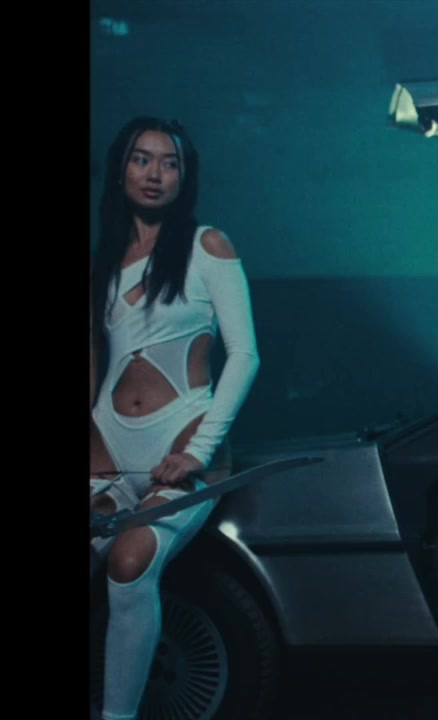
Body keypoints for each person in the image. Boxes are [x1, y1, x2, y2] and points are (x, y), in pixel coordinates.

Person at [89, 117, 260, 719]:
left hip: (184, 439)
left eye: (170, 162)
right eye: (142, 159)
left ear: (185, 177)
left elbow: (245, 354)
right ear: (120, 169)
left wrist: (200, 450)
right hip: (107, 449)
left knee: (129, 563)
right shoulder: (104, 259)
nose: (155, 173)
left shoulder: (207, 246)